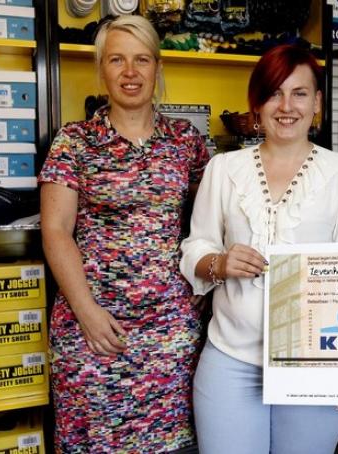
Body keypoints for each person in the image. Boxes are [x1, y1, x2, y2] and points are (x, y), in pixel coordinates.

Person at [179, 44, 338, 454]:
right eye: (274, 93)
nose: (286, 106)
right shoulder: (224, 168)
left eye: (299, 93)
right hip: (231, 360)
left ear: (317, 102)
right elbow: (196, 245)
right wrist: (220, 262)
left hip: (317, 364)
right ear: (256, 103)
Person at [39, 15, 209, 452]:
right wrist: (87, 312)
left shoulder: (185, 140)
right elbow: (56, 230)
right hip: (94, 330)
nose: (130, 72)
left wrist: (203, 283)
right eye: (117, 60)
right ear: (101, 69)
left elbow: (208, 220)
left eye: (141, 60)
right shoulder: (74, 142)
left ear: (158, 67)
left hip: (170, 335)